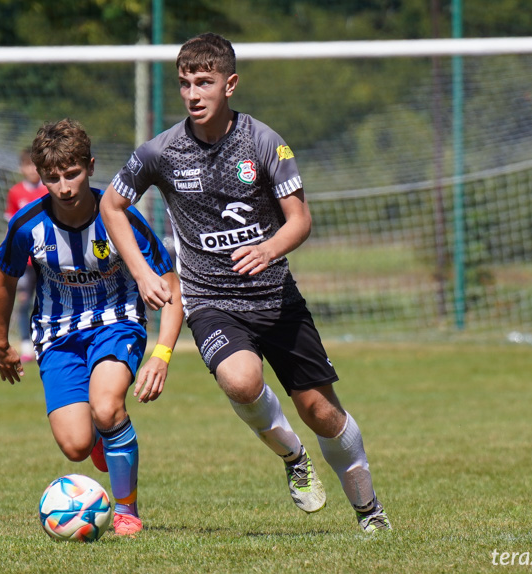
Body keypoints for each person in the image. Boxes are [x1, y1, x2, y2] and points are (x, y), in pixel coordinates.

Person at [100, 33, 391, 533]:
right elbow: (111, 204)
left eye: (205, 82)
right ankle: (294, 457)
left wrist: (269, 248)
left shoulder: (263, 142)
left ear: (229, 84)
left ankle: (370, 511)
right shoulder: (162, 151)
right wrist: (144, 272)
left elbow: (299, 219)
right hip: (212, 302)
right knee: (240, 379)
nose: (193, 94)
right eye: (185, 83)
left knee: (320, 410)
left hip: (276, 298)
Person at [0, 118, 183, 536]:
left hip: (117, 323)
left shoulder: (122, 219)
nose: (64, 187)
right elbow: (5, 280)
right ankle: (102, 439)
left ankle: (127, 510)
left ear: (91, 166)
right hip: (57, 335)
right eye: (53, 178)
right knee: (76, 445)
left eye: (72, 174)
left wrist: (162, 353)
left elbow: (171, 288)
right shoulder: (27, 226)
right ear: (40, 177)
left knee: (107, 404)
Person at [4, 148, 49, 362]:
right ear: (21, 168)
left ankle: (46, 341)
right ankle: (25, 345)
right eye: (27, 165)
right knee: (23, 301)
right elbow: (11, 227)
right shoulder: (15, 193)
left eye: (35, 165)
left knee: (46, 300)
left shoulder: (49, 190)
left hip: (46, 259)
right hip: (26, 261)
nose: (32, 170)